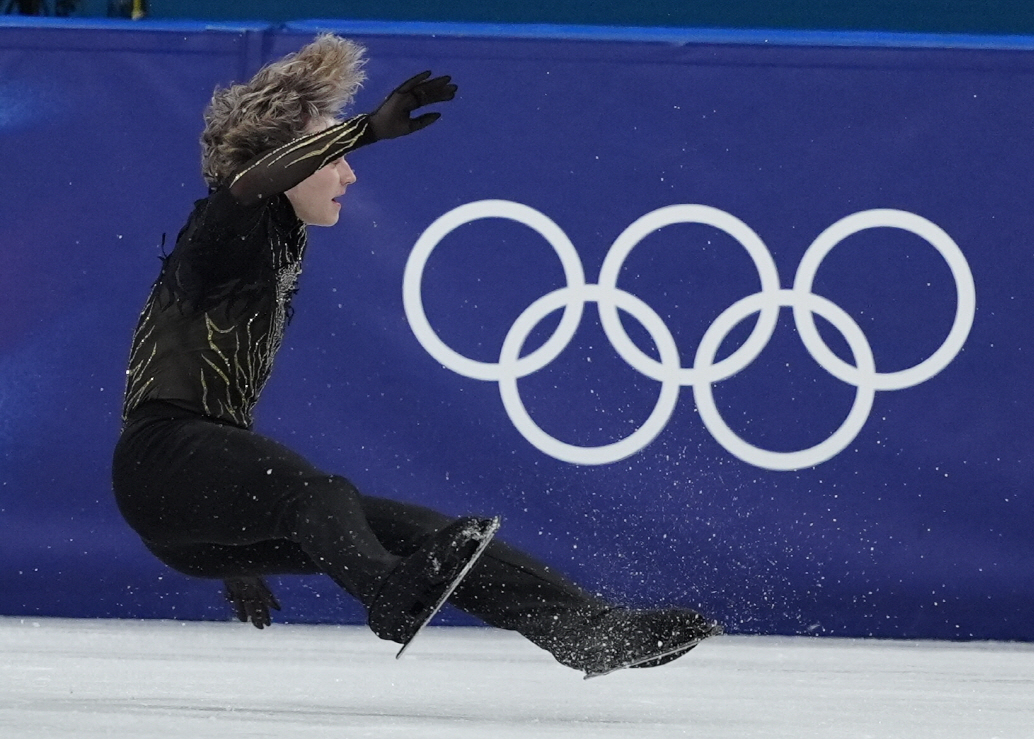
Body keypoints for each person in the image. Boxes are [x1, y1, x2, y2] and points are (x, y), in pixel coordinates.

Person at [111, 33, 720, 677]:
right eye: (332, 154)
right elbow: (243, 186)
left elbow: (224, 440)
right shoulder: (221, 229)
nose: (348, 171)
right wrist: (365, 129)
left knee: (412, 527)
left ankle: (587, 630)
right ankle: (384, 594)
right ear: (289, 158)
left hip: (187, 510)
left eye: (346, 151)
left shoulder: (276, 240)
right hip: (159, 460)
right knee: (322, 495)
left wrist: (240, 555)